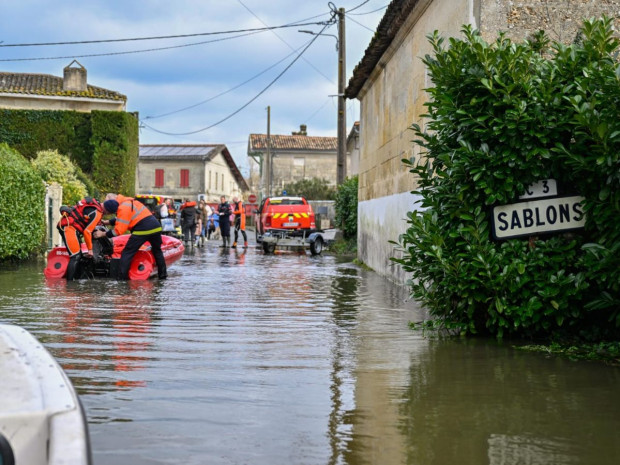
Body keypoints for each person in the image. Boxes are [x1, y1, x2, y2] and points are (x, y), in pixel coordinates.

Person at [93, 193, 167, 280]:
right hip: (156, 227)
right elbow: (124, 217)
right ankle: (163, 276)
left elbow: (118, 231)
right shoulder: (127, 201)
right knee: (157, 251)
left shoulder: (123, 207)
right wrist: (107, 222)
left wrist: (102, 234)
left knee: (127, 252)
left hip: (143, 229)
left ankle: (122, 279)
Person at [56, 197, 104, 280]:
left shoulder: (92, 207)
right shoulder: (97, 212)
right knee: (75, 256)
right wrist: (90, 249)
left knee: (79, 256)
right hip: (69, 227)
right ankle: (70, 285)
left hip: (71, 227)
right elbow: (87, 232)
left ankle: (76, 280)